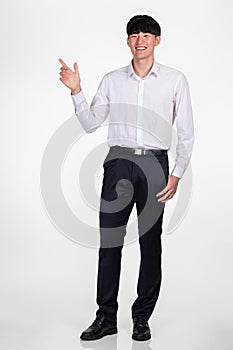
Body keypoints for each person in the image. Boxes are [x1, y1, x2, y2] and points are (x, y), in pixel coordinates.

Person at [59, 14, 194, 342]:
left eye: (147, 34)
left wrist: (176, 174)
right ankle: (106, 317)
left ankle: (142, 317)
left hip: (155, 167)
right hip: (118, 164)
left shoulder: (175, 80)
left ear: (157, 41)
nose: (140, 39)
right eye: (134, 34)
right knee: (110, 243)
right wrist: (77, 91)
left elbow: (186, 132)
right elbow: (92, 123)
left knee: (151, 244)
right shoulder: (112, 79)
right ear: (128, 41)